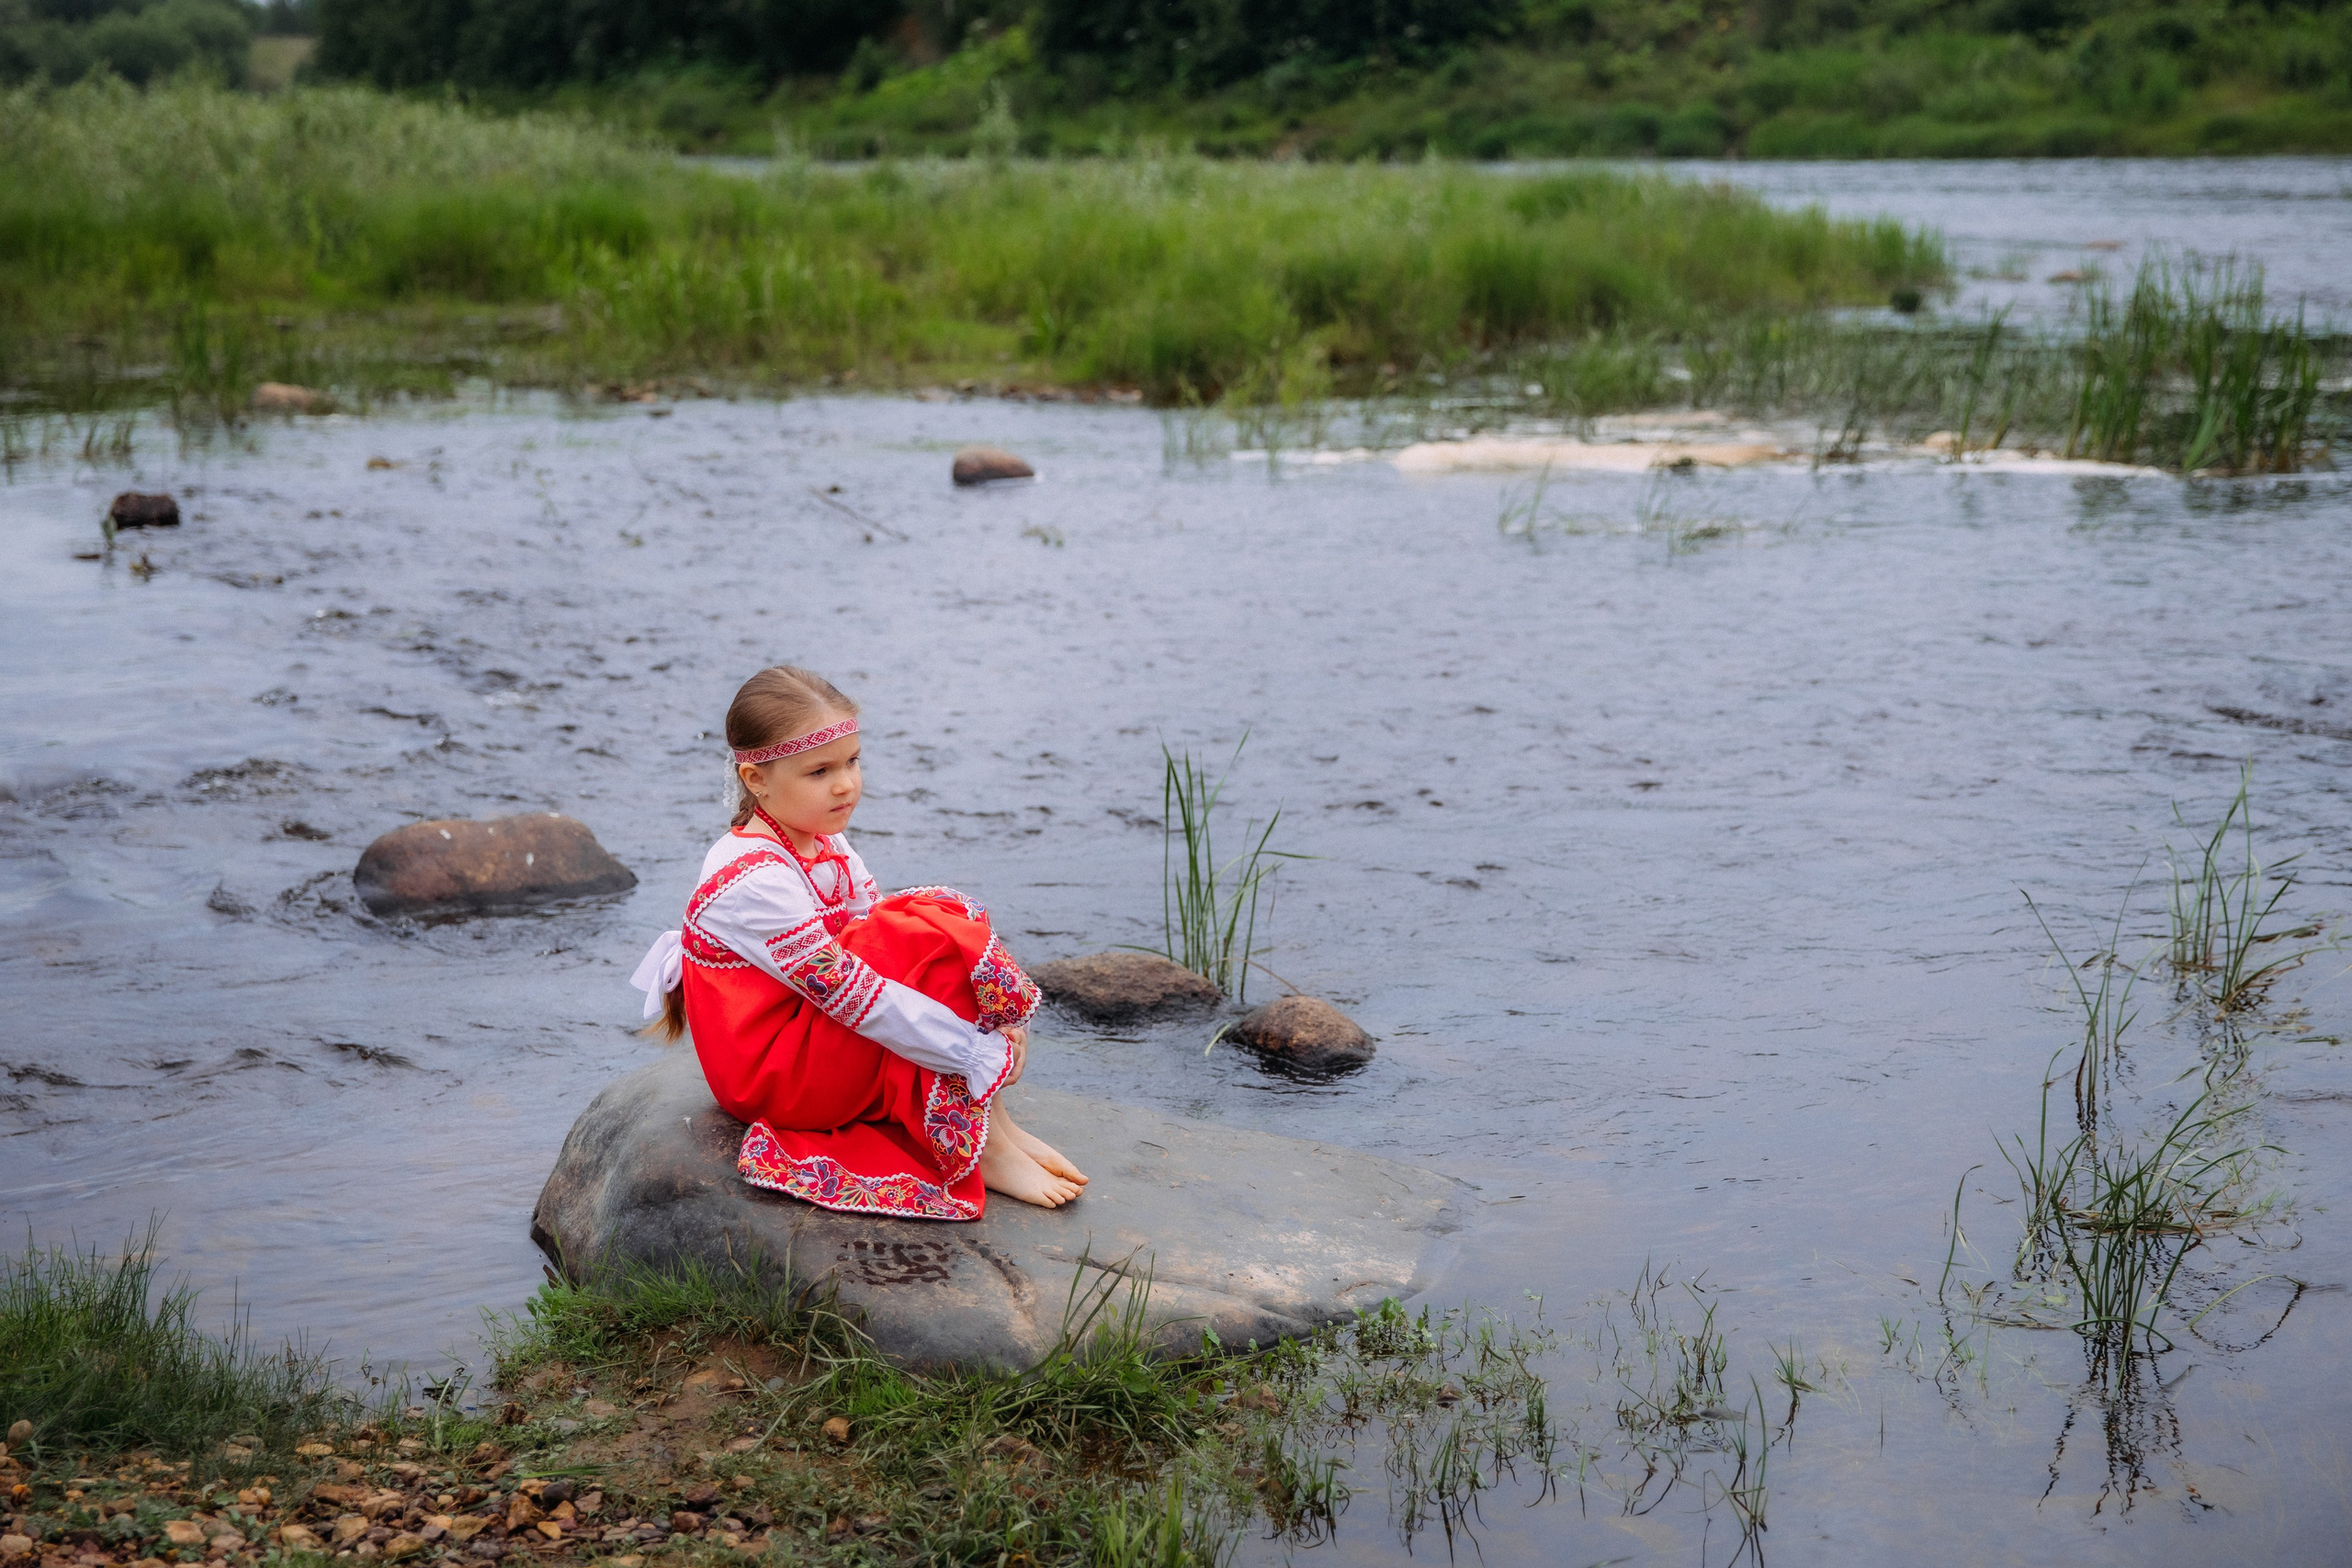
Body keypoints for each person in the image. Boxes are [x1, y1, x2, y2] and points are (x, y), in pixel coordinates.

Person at [630, 665, 1086, 1217]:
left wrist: (989, 1023)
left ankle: (995, 1126)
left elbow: (884, 932)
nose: (846, 783)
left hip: (807, 1029)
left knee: (932, 923)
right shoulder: (753, 881)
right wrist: (972, 1053)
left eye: (852, 762)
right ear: (756, 780)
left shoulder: (823, 839)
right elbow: (854, 995)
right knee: (915, 950)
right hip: (771, 1074)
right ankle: (981, 1152)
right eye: (820, 771)